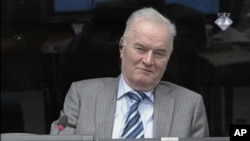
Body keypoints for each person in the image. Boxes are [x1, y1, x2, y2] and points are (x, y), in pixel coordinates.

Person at [50, 7, 209, 139]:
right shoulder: (82, 95)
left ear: (168, 58)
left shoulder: (190, 106)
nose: (148, 60)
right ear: (122, 47)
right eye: (140, 49)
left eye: (159, 53)